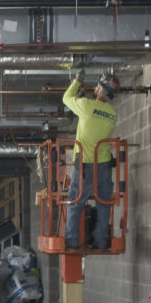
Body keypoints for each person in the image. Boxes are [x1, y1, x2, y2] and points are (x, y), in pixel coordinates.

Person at [62, 70, 119, 251]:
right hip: (103, 165)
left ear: (101, 90)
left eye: (98, 86)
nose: (95, 88)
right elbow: (96, 117)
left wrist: (77, 81)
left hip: (85, 164)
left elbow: (66, 98)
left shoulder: (86, 106)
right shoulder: (112, 114)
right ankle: (100, 241)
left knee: (75, 201)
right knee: (103, 203)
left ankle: (71, 242)